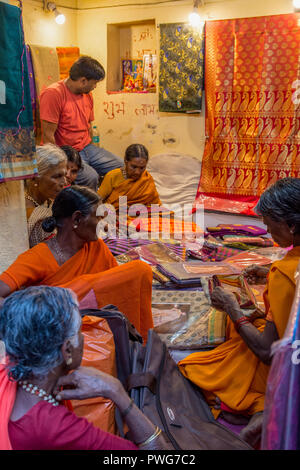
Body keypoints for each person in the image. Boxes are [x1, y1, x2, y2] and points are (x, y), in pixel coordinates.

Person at [178, 177, 300, 447]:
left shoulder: (285, 275)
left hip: (290, 366)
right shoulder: (286, 269)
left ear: (291, 225)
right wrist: (269, 272)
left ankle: (262, 407)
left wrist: (233, 308)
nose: (268, 233)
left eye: (270, 226)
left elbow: (268, 352)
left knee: (197, 367)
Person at [0, 286, 171, 450]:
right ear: (67, 350)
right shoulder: (54, 427)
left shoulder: (10, 373)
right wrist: (116, 391)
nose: (83, 338)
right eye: (80, 332)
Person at [0, 186, 153, 343]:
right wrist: (38, 313)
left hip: (96, 331)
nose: (104, 226)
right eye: (99, 218)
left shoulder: (96, 247)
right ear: (77, 219)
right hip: (57, 337)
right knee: (139, 269)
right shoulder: (38, 257)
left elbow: (118, 290)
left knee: (135, 274)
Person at [40, 56, 123, 191]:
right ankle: (87, 210)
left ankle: (107, 202)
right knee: (91, 177)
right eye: (94, 83)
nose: (95, 87)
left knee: (121, 168)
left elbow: (88, 126)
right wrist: (61, 164)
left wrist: (93, 148)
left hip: (87, 148)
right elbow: (48, 135)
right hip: (66, 152)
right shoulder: (54, 94)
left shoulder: (87, 95)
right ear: (83, 81)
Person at [24, 143, 67, 248]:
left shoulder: (47, 202)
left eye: (65, 175)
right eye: (57, 176)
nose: (64, 182)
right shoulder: (35, 217)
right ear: (34, 178)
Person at [98, 143, 161, 210]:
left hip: (142, 215)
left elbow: (155, 204)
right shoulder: (113, 176)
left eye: (142, 168)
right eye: (133, 167)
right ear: (125, 161)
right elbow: (96, 202)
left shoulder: (146, 178)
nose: (137, 172)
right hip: (116, 215)